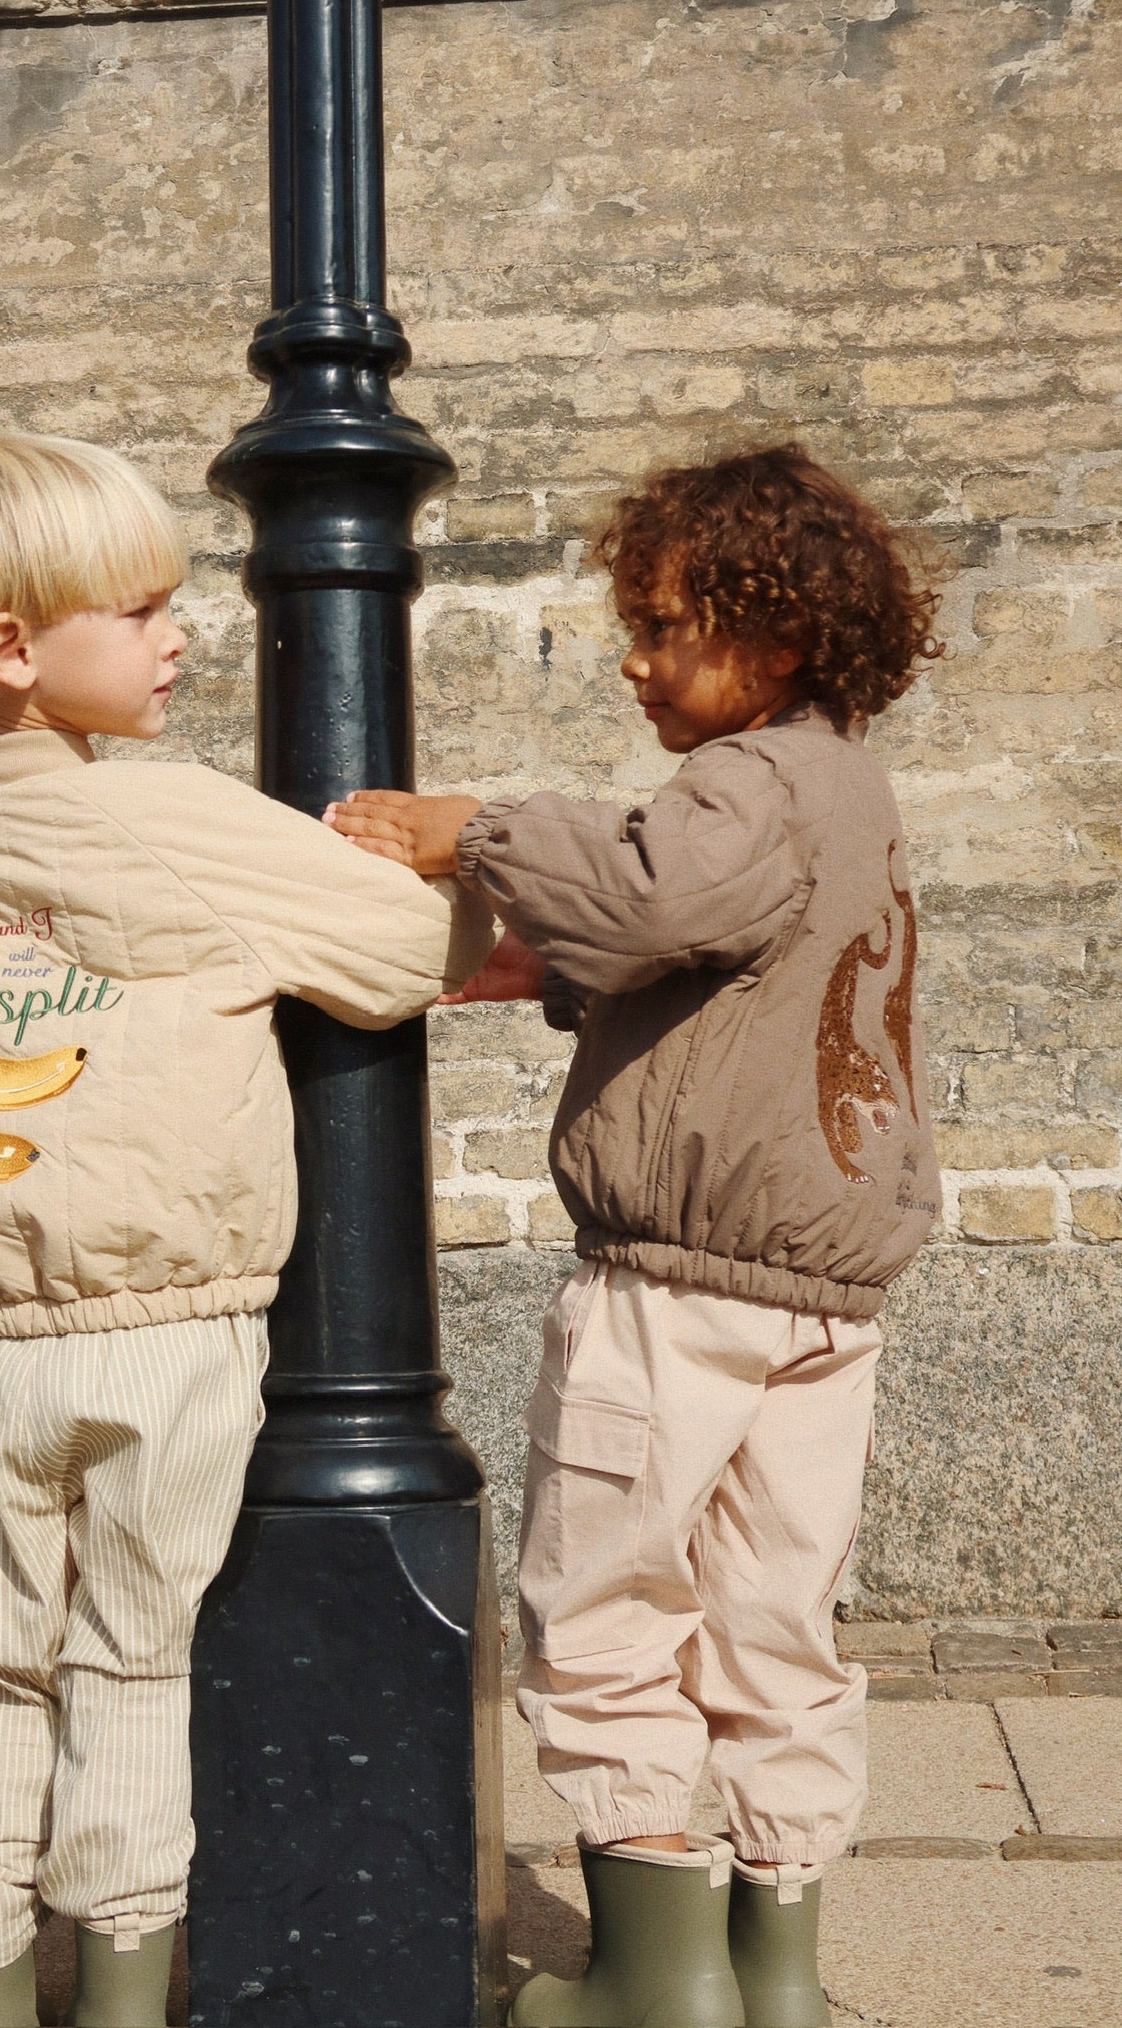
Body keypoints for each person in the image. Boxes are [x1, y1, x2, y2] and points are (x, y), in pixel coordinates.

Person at [0, 434, 492, 2028]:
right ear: (14, 648)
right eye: (140, 608)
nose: (178, 634)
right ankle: (121, 1991)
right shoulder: (180, 826)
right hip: (180, 1328)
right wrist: (399, 855)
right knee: (131, 1670)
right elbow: (405, 951)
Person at [329, 445, 945, 2028]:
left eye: (668, 625)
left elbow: (661, 902)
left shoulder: (740, 784)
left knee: (604, 1606)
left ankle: (655, 1989)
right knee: (777, 1627)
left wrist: (475, 830)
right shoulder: (850, 793)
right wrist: (540, 977)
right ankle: (776, 1975)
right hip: (820, 1306)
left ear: (779, 637)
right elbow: (717, 972)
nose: (636, 658)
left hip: (673, 1295)